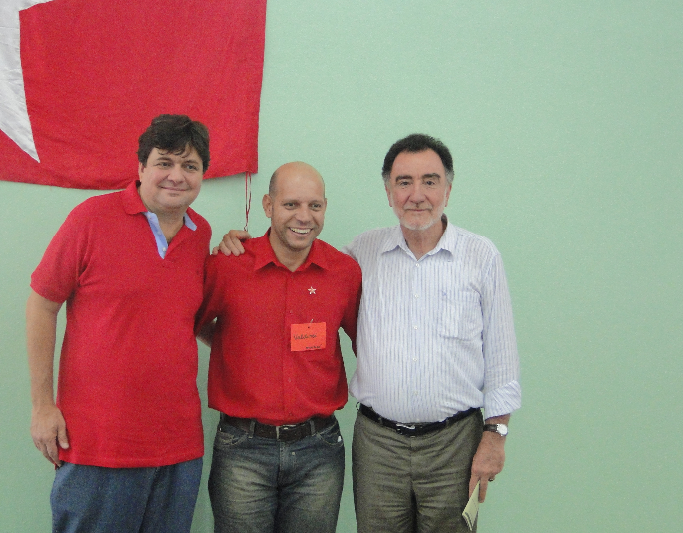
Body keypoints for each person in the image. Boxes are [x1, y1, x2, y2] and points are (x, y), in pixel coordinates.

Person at [216, 134, 520, 533]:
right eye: (404, 182)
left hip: (454, 443)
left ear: (447, 189)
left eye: (429, 181)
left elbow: (501, 356)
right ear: (389, 192)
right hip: (379, 445)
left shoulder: (480, 256)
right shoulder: (361, 254)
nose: (416, 194)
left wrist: (496, 434)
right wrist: (238, 246)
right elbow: (291, 273)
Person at [26, 114, 211, 533]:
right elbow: (41, 305)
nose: (176, 176)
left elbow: (195, 320)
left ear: (202, 175)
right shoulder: (91, 218)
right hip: (98, 445)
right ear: (141, 167)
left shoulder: (201, 235)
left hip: (179, 446)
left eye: (190, 166)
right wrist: (42, 406)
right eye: (164, 162)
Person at [196, 162, 362, 533]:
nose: (304, 217)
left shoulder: (344, 272)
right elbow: (193, 321)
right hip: (243, 450)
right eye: (291, 205)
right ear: (268, 205)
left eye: (314, 206)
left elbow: (367, 342)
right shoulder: (228, 265)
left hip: (319, 451)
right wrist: (231, 344)